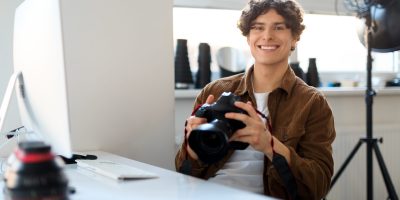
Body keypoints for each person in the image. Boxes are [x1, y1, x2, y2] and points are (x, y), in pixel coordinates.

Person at [175, 0, 336, 199]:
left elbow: (317, 187)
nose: (267, 36)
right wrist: (192, 150)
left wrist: (271, 145)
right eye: (258, 28)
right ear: (248, 37)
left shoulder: (312, 102)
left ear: (295, 38)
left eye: (278, 27)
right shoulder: (215, 91)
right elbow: (183, 173)